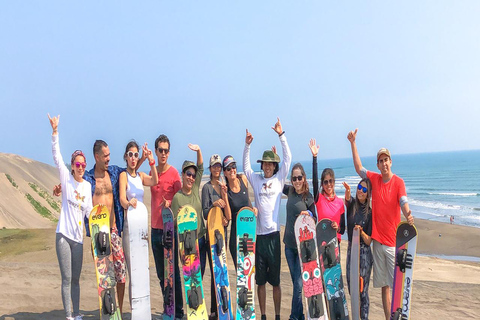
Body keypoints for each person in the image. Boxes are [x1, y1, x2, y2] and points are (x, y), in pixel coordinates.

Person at [347, 128, 414, 320]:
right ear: (377, 164)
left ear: (390, 162)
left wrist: (408, 214)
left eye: (386, 160)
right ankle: (388, 318)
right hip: (377, 243)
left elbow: (403, 201)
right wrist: (353, 143)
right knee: (384, 286)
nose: (384, 163)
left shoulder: (398, 182)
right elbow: (358, 168)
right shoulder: (374, 180)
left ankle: (399, 316)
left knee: (397, 287)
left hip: (394, 244)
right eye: (381, 160)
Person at [243, 117, 291, 320]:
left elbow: (288, 158)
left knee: (276, 282)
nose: (268, 167)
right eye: (266, 164)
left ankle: (278, 315)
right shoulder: (256, 179)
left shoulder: (279, 180)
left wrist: (282, 135)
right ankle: (263, 315)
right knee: (260, 282)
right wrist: (247, 146)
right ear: (262, 165)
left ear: (274, 165)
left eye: (271, 164)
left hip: (273, 236)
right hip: (259, 238)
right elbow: (245, 167)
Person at [48, 114, 92, 320]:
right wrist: (55, 132)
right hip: (63, 236)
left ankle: (77, 313)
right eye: (77, 164)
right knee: (66, 278)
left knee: (76, 279)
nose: (81, 167)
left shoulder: (87, 186)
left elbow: (90, 213)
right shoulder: (66, 179)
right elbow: (57, 157)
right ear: (72, 166)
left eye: (83, 164)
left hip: (78, 240)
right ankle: (68, 315)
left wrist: (99, 227)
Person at [118, 140, 158, 306]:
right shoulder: (123, 175)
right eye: (130, 155)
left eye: (135, 155)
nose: (133, 158)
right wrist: (128, 203)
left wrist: (151, 160)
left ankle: (142, 308)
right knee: (132, 269)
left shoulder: (141, 176)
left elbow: (155, 181)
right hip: (129, 225)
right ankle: (133, 308)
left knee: (142, 268)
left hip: (142, 225)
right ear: (126, 157)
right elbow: (121, 198)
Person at [149, 134, 184, 320]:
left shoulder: (174, 174)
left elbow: (181, 198)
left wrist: (171, 201)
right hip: (154, 229)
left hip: (170, 229)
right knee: (162, 275)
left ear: (169, 153)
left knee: (174, 273)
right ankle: (168, 309)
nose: (163, 153)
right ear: (156, 151)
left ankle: (178, 311)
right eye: (160, 150)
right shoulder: (152, 171)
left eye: (166, 151)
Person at [282, 163, 316, 320]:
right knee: (297, 285)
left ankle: (294, 317)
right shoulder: (288, 191)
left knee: (298, 285)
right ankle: (301, 316)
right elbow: (276, 177)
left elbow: (315, 218)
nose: (296, 181)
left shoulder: (308, 196)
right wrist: (278, 161)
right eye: (294, 178)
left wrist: (307, 213)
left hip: (303, 248)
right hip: (289, 246)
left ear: (304, 178)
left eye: (299, 178)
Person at [201, 154, 232, 320]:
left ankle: (222, 307)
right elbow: (205, 214)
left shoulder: (223, 186)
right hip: (211, 236)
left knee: (222, 270)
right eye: (214, 166)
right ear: (210, 168)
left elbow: (228, 214)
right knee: (214, 272)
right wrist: (214, 203)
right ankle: (214, 310)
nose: (216, 169)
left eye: (219, 166)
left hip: (223, 234)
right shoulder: (206, 188)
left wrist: (226, 216)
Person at [171, 143, 207, 275]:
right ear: (182, 174)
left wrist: (198, 150)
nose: (191, 178)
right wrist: (179, 218)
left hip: (202, 239)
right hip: (187, 243)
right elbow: (173, 225)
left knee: (200, 276)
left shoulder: (196, 188)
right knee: (191, 278)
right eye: (188, 174)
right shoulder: (177, 198)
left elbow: (201, 168)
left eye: (193, 175)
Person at [344, 179, 373, 320]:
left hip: (364, 254)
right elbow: (347, 198)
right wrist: (348, 192)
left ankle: (364, 318)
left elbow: (369, 241)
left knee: (362, 291)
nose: (361, 190)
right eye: (359, 187)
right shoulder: (351, 206)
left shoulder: (370, 213)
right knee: (352, 288)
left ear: (368, 194)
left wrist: (361, 232)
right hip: (351, 250)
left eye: (365, 189)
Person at [309, 139, 345, 244]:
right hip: (322, 242)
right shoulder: (319, 199)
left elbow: (342, 229)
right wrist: (314, 158)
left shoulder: (340, 203)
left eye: (330, 181)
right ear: (322, 185)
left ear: (334, 182)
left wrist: (337, 227)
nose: (328, 184)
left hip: (335, 243)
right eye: (325, 182)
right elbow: (314, 182)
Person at [222, 155, 255, 268]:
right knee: (241, 276)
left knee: (250, 273)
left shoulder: (243, 180)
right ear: (224, 172)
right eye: (228, 168)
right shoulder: (226, 190)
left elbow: (247, 202)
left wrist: (252, 210)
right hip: (236, 237)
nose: (232, 170)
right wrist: (225, 196)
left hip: (249, 233)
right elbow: (229, 216)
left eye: (233, 166)